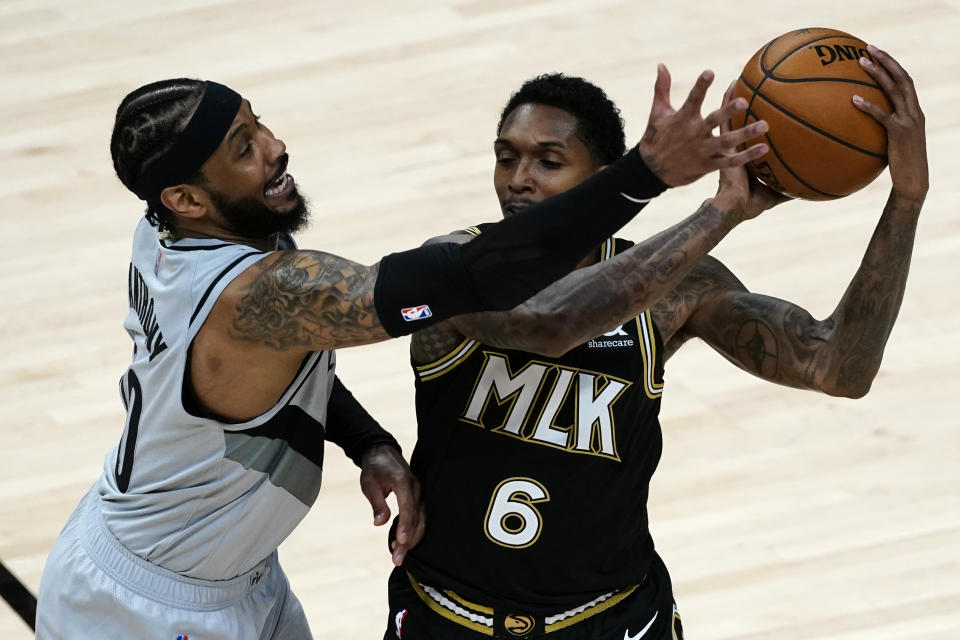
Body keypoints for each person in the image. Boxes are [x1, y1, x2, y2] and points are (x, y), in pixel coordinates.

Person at [33, 65, 766, 639]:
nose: (276, 147)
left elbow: (283, 364)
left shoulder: (188, 227)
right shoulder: (254, 294)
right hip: (150, 609)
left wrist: (369, 442)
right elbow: (470, 279)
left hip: (232, 573)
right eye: (244, 148)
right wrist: (643, 176)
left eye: (258, 124)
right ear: (187, 197)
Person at [385, 45, 926, 640]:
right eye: (506, 158)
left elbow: (836, 367)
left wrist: (904, 203)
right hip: (450, 614)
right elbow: (550, 323)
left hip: (610, 617)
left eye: (548, 162)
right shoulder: (449, 265)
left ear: (601, 180)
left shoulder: (677, 288)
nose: (518, 181)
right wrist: (721, 212)